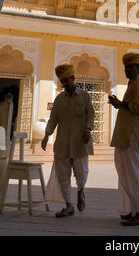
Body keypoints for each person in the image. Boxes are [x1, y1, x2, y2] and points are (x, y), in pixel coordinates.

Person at [41, 64, 95, 218]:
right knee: (62, 175)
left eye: (66, 80)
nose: (64, 84)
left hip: (80, 141)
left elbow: (91, 114)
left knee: (81, 172)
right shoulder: (59, 99)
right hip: (63, 142)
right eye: (62, 82)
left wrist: (88, 130)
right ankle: (69, 205)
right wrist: (46, 135)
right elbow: (53, 120)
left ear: (73, 78)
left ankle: (81, 191)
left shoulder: (84, 95)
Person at [109, 52, 139, 226]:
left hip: (133, 135)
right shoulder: (132, 84)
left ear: (138, 68)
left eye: (131, 66)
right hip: (126, 135)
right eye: (126, 67)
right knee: (125, 172)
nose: (127, 69)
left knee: (134, 173)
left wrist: (121, 104)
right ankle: (132, 210)